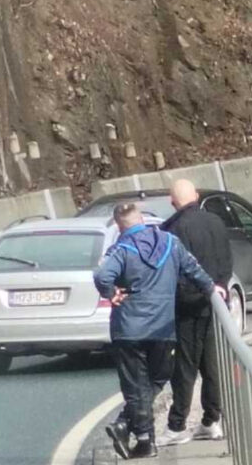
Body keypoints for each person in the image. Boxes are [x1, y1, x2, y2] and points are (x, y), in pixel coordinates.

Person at [95, 203, 223, 460]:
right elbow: (193, 270)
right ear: (141, 219)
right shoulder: (169, 242)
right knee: (158, 379)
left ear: (120, 226)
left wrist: (111, 293)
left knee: (135, 386)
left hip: (128, 330)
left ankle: (138, 435)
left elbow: (102, 276)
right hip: (163, 328)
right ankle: (140, 436)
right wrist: (212, 289)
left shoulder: (121, 249)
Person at [156, 180, 233, 446]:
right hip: (216, 303)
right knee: (212, 366)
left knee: (184, 368)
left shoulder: (172, 230)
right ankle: (212, 420)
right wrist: (219, 288)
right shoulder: (216, 222)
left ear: (172, 201)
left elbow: (173, 272)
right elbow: (226, 261)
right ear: (197, 196)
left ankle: (177, 425)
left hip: (187, 306)